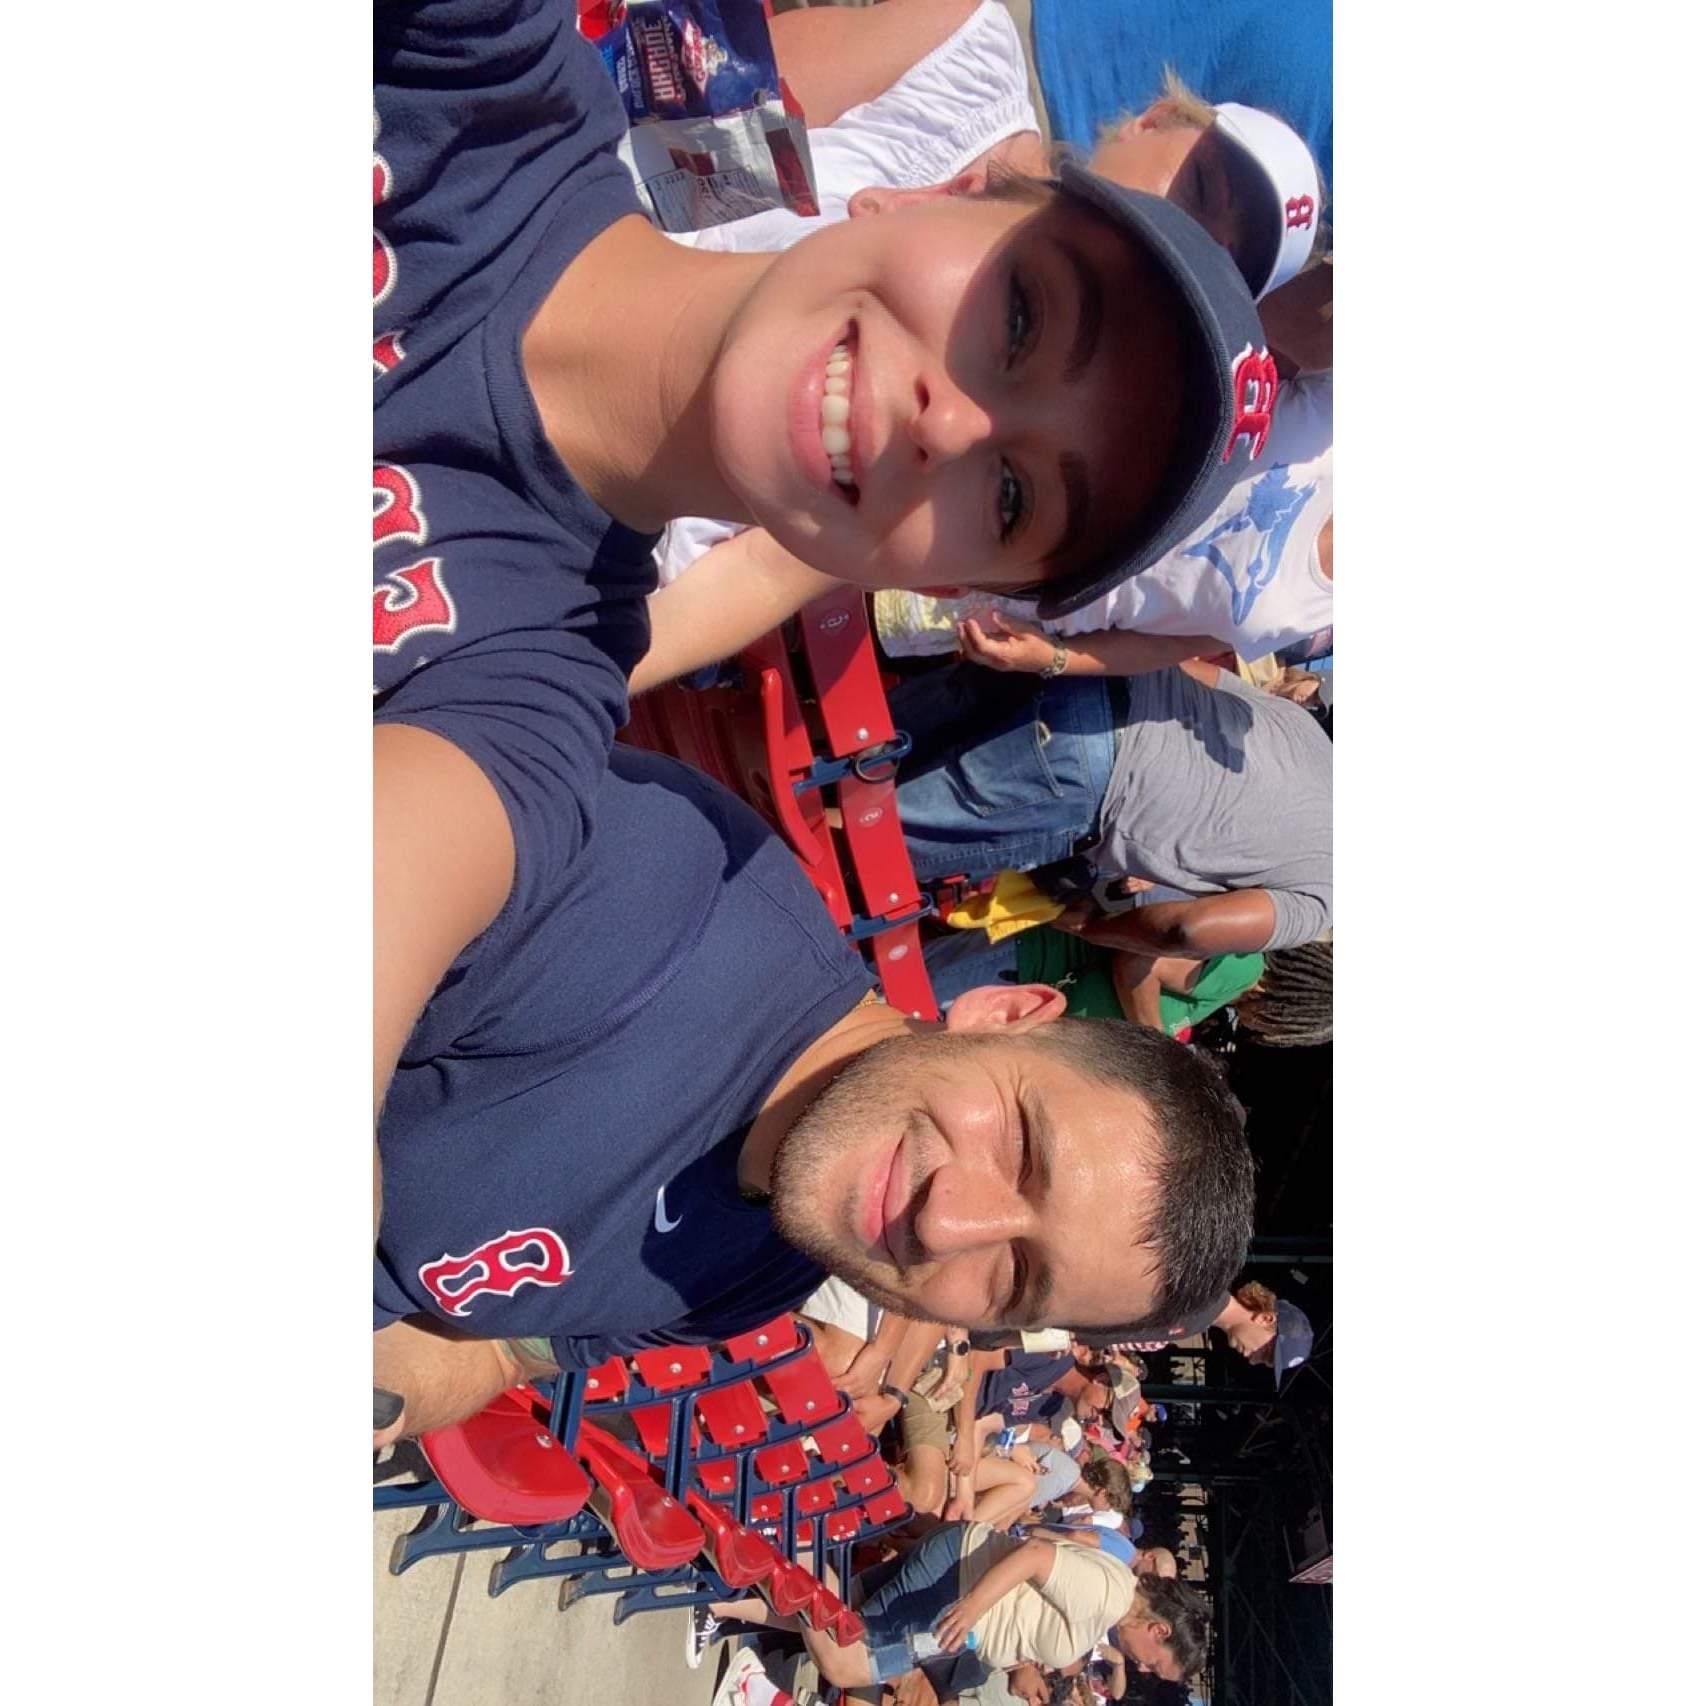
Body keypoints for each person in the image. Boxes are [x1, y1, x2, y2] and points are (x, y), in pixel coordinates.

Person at [373, 3, 1276, 1436]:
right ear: (941, 182)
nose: (957, 425)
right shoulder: (476, 77)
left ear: (943, 582)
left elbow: (430, 825)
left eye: (1011, 500)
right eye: (1025, 319)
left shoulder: (528, 682)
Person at [373, 745, 1257, 1445]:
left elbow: (498, 1349)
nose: (949, 1225)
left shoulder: (759, 1276)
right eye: (1022, 1148)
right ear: (1002, 1011)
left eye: (1016, 1277)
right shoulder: (656, 896)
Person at [890, 658, 1332, 960]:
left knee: (856, 744)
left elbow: (1198, 672)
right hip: (1083, 780)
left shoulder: (1307, 729)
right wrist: (1095, 928)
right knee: (866, 838)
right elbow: (1191, 929)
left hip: (1085, 678)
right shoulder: (1326, 895)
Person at [702, 1525, 1207, 1692]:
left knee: (843, 1612)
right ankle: (794, 1538)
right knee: (845, 1664)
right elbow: (1034, 1554)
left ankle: (723, 1604)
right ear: (1159, 1630)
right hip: (957, 1588)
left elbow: (1039, 1550)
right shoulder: (1110, 1595)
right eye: (1152, 1663)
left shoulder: (1112, 1600)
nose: (1140, 1667)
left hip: (959, 1594)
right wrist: (972, 1607)